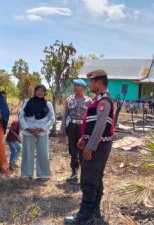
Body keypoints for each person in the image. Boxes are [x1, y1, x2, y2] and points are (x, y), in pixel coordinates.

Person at [64, 69, 115, 224]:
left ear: (99, 83)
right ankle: (94, 213)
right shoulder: (98, 99)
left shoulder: (103, 100)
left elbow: (100, 127)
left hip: (98, 146)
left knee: (89, 179)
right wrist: (83, 138)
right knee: (96, 178)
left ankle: (84, 216)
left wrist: (89, 147)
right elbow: (92, 123)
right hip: (95, 143)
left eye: (91, 82)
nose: (89, 84)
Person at [19, 85, 55, 179]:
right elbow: (21, 116)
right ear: (35, 91)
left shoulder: (48, 104)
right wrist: (27, 128)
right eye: (38, 90)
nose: (40, 92)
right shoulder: (27, 102)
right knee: (27, 152)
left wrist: (42, 128)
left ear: (45, 93)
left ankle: (44, 173)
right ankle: (26, 173)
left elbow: (52, 118)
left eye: (42, 91)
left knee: (43, 152)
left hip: (42, 132)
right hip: (28, 132)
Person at [59, 79, 91, 182]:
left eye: (78, 86)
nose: (76, 87)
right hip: (72, 127)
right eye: (75, 85)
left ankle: (84, 174)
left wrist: (90, 131)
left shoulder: (89, 101)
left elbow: (91, 117)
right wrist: (62, 130)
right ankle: (74, 173)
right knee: (72, 150)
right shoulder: (69, 99)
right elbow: (64, 115)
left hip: (83, 128)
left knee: (83, 150)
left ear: (83, 88)